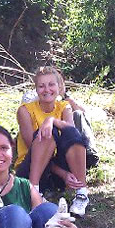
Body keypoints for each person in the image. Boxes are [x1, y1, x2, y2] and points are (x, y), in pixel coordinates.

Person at [15, 66, 91, 216]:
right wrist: (63, 173)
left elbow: (71, 133)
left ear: (59, 87)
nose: (46, 89)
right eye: (41, 86)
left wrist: (51, 119)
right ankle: (33, 192)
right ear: (36, 89)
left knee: (69, 132)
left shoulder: (64, 107)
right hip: (31, 168)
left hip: (55, 168)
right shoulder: (25, 110)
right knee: (48, 133)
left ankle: (82, 193)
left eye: (51, 84)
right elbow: (34, 150)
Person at [55, 71, 100, 168]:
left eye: (61, 83)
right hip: (58, 139)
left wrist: (69, 101)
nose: (59, 87)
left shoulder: (68, 100)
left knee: (78, 114)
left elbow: (84, 114)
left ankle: (89, 152)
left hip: (73, 135)